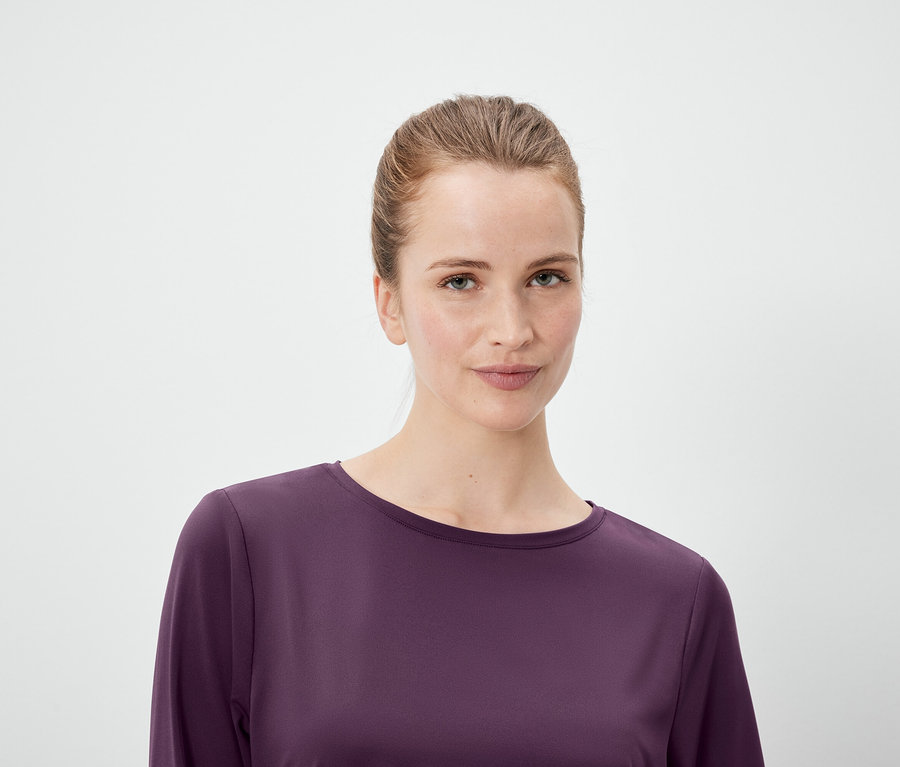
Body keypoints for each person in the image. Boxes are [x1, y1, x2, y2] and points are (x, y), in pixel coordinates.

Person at [150, 95, 765, 766]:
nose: (512, 328)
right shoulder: (247, 551)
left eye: (547, 276)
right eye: (462, 280)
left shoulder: (676, 600)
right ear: (389, 303)